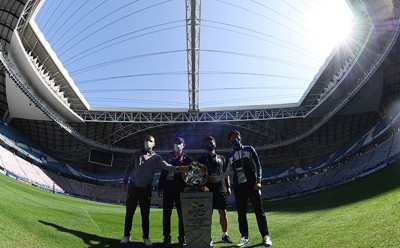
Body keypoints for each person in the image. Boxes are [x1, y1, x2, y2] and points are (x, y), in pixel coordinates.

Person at [120, 135, 188, 246]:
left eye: (150, 141)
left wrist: (178, 169)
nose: (148, 142)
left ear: (154, 143)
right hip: (133, 187)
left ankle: (146, 237)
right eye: (146, 140)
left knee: (145, 214)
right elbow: (129, 167)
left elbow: (167, 166)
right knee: (129, 213)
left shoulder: (157, 157)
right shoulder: (136, 154)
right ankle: (126, 235)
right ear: (143, 141)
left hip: (146, 188)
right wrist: (124, 181)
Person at [208, 130, 272, 247]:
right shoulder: (230, 156)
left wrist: (258, 181)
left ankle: (265, 236)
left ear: (240, 137)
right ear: (230, 141)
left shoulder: (249, 149)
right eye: (232, 137)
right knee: (241, 214)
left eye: (237, 136)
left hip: (252, 184)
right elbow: (226, 173)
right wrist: (215, 179)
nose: (235, 139)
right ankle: (244, 237)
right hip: (239, 187)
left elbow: (258, 166)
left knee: (259, 211)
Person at [197, 136, 233, 244]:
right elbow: (198, 176)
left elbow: (226, 174)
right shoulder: (201, 159)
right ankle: (208, 237)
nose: (210, 144)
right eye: (207, 143)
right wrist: (202, 175)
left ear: (215, 144)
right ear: (205, 145)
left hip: (221, 188)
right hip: (207, 189)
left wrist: (228, 187)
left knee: (223, 212)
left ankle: (225, 235)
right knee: (207, 214)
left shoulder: (222, 158)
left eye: (211, 142)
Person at [158, 137, 192, 246]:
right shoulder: (167, 157)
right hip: (168, 188)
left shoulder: (187, 159)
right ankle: (167, 237)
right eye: (175, 143)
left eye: (179, 143)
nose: (177, 145)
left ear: (183, 145)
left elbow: (190, 175)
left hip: (181, 189)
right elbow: (163, 172)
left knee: (181, 215)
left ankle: (182, 237)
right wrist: (160, 186)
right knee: (166, 214)